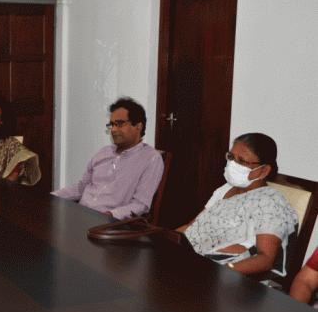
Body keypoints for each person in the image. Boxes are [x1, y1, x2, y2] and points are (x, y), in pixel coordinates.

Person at [177, 133, 299, 276]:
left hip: (227, 275)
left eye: (241, 161)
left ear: (264, 170)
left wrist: (223, 270)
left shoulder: (270, 202)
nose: (233, 164)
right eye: (231, 157)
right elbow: (192, 227)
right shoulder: (225, 189)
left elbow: (265, 259)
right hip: (192, 260)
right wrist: (162, 239)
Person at [52, 97, 163, 219]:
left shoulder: (151, 158)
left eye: (120, 124)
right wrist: (50, 197)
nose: (114, 130)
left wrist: (109, 216)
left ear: (138, 126)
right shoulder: (104, 152)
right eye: (112, 125)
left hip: (109, 224)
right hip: (81, 214)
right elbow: (81, 188)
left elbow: (140, 205)